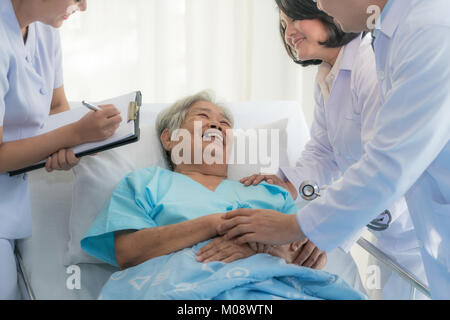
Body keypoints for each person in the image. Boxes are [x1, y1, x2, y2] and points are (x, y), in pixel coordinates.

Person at [219, 0, 450, 299]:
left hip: (406, 225)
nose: (321, 4)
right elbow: (323, 152)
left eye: (296, 18)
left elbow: (386, 164)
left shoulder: (407, 39)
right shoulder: (344, 66)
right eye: (284, 24)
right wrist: (289, 185)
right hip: (402, 233)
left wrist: (303, 228)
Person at [79, 92, 365, 300]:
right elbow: (127, 252)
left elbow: (308, 256)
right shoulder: (146, 183)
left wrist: (257, 250)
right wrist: (213, 224)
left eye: (225, 123)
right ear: (169, 138)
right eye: (202, 117)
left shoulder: (268, 193)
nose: (217, 125)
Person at [0, 0, 122, 299]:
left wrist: (75, 142)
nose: (82, 6)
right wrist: (74, 133)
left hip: (10, 207)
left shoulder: (45, 28)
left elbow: (56, 106)